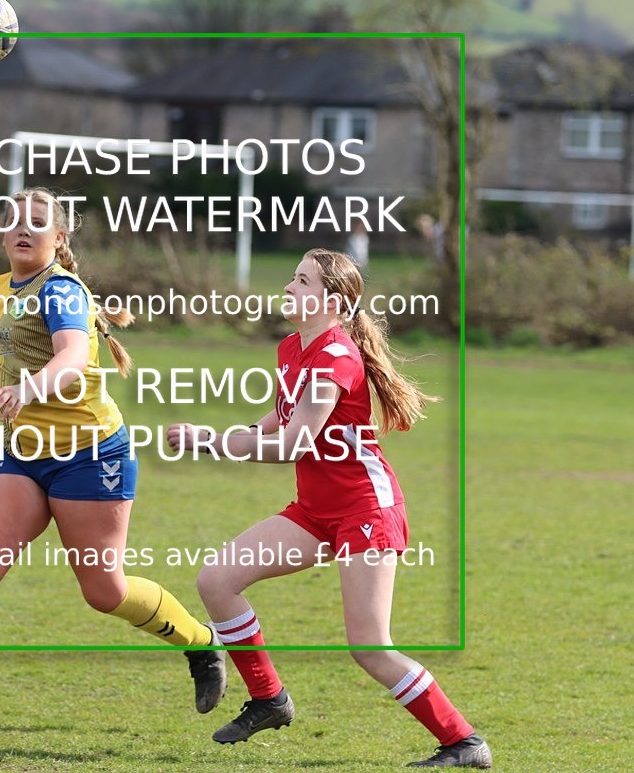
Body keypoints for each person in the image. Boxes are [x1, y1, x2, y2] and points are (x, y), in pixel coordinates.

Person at [0, 188, 226, 728]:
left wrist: (29, 389)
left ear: (60, 239)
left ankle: (200, 642)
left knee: (105, 592)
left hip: (90, 455)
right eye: (15, 223)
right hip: (23, 455)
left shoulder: (61, 292)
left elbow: (74, 357)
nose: (24, 230)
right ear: (3, 235)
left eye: (39, 223)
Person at [165, 248, 492, 768]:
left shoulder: (338, 356)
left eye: (302, 280)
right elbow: (279, 418)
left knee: (369, 646)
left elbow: (295, 443)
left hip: (366, 511)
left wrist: (211, 441)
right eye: (293, 276)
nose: (289, 286)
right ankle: (269, 699)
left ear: (333, 301)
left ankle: (464, 742)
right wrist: (230, 434)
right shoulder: (292, 347)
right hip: (316, 511)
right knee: (216, 581)